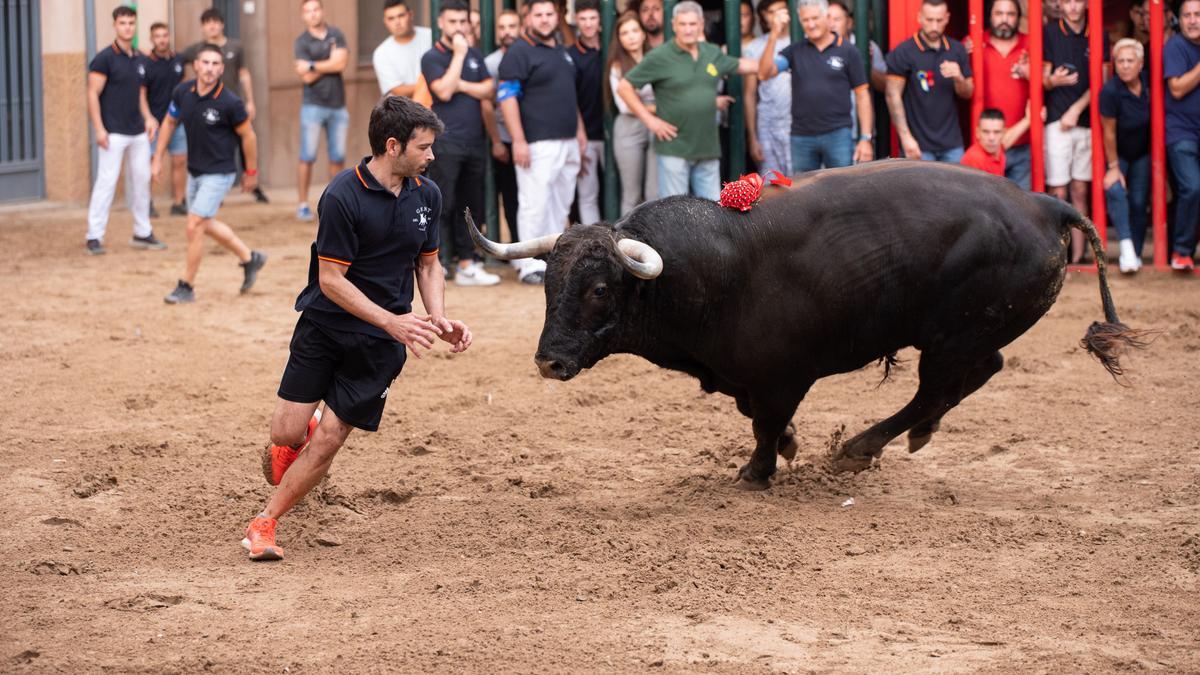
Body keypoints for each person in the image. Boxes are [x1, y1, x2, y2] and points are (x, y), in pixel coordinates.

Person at [242, 96, 473, 561]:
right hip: (326, 327)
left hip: (384, 344)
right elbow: (330, 281)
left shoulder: (427, 195)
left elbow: (429, 266)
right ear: (393, 146)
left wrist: (438, 316)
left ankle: (264, 523)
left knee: (329, 439)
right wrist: (393, 319)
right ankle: (294, 443)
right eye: (424, 148)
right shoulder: (343, 195)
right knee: (287, 434)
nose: (431, 157)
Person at [153, 45, 267, 305]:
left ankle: (186, 286)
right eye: (205, 62)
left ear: (222, 69)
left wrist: (251, 172)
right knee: (204, 224)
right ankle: (250, 258)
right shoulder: (182, 92)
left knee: (194, 226)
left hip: (220, 172)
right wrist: (157, 157)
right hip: (195, 171)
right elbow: (170, 122)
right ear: (196, 65)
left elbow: (249, 136)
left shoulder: (230, 102)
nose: (210, 68)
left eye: (216, 64)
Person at [618, 1, 760, 200]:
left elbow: (743, 66)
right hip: (674, 149)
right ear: (673, 25)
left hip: (707, 148)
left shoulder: (711, 52)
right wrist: (651, 121)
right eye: (682, 24)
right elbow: (624, 87)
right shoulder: (660, 56)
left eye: (692, 24)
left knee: (712, 212)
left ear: (701, 24)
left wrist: (781, 61)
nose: (687, 29)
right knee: (676, 215)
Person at [497, 0, 586, 284]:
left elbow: (570, 95)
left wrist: (580, 132)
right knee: (534, 204)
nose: (546, 19)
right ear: (528, 17)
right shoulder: (518, 52)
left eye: (550, 14)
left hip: (568, 139)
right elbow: (507, 99)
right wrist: (518, 140)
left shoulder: (560, 49)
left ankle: (551, 260)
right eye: (539, 15)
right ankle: (527, 266)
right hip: (536, 143)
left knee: (560, 205)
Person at [421, 0, 501, 286]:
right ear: (441, 23)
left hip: (475, 142)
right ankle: (438, 263)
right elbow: (442, 90)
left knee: (472, 206)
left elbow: (490, 90)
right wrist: (459, 55)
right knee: (442, 203)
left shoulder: (476, 56)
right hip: (446, 143)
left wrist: (461, 84)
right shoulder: (433, 57)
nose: (458, 27)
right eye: (452, 22)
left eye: (462, 22)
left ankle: (468, 263)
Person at [84, 6, 166, 256]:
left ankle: (142, 231)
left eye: (131, 22)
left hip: (138, 132)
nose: (127, 27)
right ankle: (94, 236)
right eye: (123, 23)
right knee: (106, 183)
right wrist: (99, 129)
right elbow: (92, 93)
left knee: (142, 181)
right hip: (113, 132)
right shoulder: (104, 58)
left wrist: (149, 118)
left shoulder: (141, 59)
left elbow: (140, 96)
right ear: (115, 25)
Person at [758, 0, 873, 173]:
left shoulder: (848, 51)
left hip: (838, 133)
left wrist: (865, 138)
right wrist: (774, 34)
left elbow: (862, 95)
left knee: (843, 191)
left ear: (827, 17)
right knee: (803, 195)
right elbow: (764, 73)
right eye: (805, 20)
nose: (810, 24)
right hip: (801, 137)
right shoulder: (794, 51)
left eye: (815, 18)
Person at [1043, 0, 1109, 263]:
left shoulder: (1098, 33)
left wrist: (1077, 107)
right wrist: (1053, 81)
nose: (1071, 6)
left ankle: (1079, 255)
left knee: (1081, 189)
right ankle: (1059, 255)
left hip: (1085, 122)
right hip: (1057, 122)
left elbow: (1102, 80)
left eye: (1077, 0)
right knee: (1058, 191)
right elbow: (1043, 79)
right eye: (1066, 0)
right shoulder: (1049, 31)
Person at [182, 9, 267, 204]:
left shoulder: (235, 46)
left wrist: (250, 101)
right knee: (213, 147)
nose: (212, 26)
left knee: (245, 141)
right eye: (207, 23)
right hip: (208, 108)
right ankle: (213, 193)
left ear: (222, 24)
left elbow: (244, 74)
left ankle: (254, 184)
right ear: (202, 27)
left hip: (233, 105)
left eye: (215, 22)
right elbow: (176, 61)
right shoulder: (197, 49)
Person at [885, 0, 974, 163]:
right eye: (929, 20)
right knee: (919, 189)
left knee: (956, 189)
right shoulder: (904, 52)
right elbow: (892, 96)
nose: (934, 26)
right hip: (919, 146)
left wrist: (959, 77)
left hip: (952, 145)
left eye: (939, 20)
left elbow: (968, 93)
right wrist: (906, 139)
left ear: (947, 18)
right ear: (919, 18)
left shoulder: (956, 49)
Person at [294, 0, 350, 222]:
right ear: (303, 16)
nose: (313, 14)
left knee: (337, 157)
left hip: (338, 106)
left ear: (322, 11)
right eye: (308, 11)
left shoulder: (337, 33)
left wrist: (312, 64)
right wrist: (329, 61)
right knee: (307, 156)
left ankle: (333, 204)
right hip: (312, 106)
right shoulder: (301, 42)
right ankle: (302, 205)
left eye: (316, 9)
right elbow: (305, 77)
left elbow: (341, 64)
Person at [1100, 39, 1151, 274]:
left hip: (1143, 152)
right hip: (1118, 152)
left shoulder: (1150, 83)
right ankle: (1126, 248)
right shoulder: (1110, 91)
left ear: (1140, 64)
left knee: (1140, 202)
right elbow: (1108, 131)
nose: (1125, 66)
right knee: (1115, 190)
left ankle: (1137, 253)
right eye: (1120, 61)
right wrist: (1113, 166)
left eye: (1130, 61)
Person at [976, 0, 1032, 189]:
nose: (1004, 20)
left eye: (1010, 14)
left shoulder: (1031, 44)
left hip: (1023, 142)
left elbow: (1047, 84)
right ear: (989, 16)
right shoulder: (975, 43)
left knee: (1023, 206)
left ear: (1018, 18)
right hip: (986, 145)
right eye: (999, 14)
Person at [608, 11, 658, 215]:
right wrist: (658, 107)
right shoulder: (617, 66)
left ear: (643, 33)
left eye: (635, 31)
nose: (631, 36)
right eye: (624, 33)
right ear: (619, 39)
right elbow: (625, 106)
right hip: (629, 127)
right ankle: (625, 243)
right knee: (631, 194)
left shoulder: (657, 59)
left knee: (655, 192)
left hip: (657, 127)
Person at [1165, 0, 1200, 270]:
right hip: (1182, 131)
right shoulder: (1176, 46)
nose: (1192, 20)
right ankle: (1181, 251)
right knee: (1191, 187)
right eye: (1187, 15)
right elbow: (1176, 88)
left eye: (1197, 14)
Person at [743, 0, 793, 176]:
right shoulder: (754, 47)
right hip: (768, 124)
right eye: (771, 12)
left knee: (803, 182)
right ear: (763, 17)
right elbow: (749, 95)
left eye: (781, 10)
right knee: (770, 185)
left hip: (799, 125)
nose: (777, 16)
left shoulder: (803, 40)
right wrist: (753, 137)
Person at [485, 10, 523, 241]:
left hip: (532, 137)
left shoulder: (529, 55)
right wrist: (497, 141)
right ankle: (517, 243)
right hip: (504, 138)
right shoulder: (491, 62)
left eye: (512, 26)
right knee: (510, 196)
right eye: (502, 27)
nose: (507, 31)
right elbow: (487, 105)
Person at [143, 21, 187, 217]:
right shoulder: (146, 63)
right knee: (152, 162)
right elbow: (140, 94)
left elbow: (184, 87)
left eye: (165, 35)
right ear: (152, 39)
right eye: (158, 36)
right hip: (155, 123)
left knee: (180, 161)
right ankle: (147, 203)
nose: (162, 39)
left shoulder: (178, 60)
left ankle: (178, 203)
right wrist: (148, 118)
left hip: (178, 122)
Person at [574, 0, 606, 225]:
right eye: (583, 19)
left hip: (615, 134)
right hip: (586, 136)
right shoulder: (571, 55)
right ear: (576, 20)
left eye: (592, 18)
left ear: (600, 20)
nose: (588, 24)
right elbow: (570, 99)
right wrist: (579, 133)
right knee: (588, 195)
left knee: (620, 191)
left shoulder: (613, 49)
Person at [373, 0, 433, 98]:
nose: (397, 22)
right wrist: (434, 85)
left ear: (411, 15)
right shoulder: (381, 53)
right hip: (405, 110)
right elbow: (398, 90)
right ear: (385, 22)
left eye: (401, 16)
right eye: (391, 18)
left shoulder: (431, 36)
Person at [960, 107, 1033, 177]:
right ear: (977, 133)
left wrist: (1028, 120)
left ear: (1004, 133)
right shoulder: (974, 159)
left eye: (997, 132)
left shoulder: (998, 148)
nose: (991, 138)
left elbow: (1009, 138)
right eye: (986, 132)